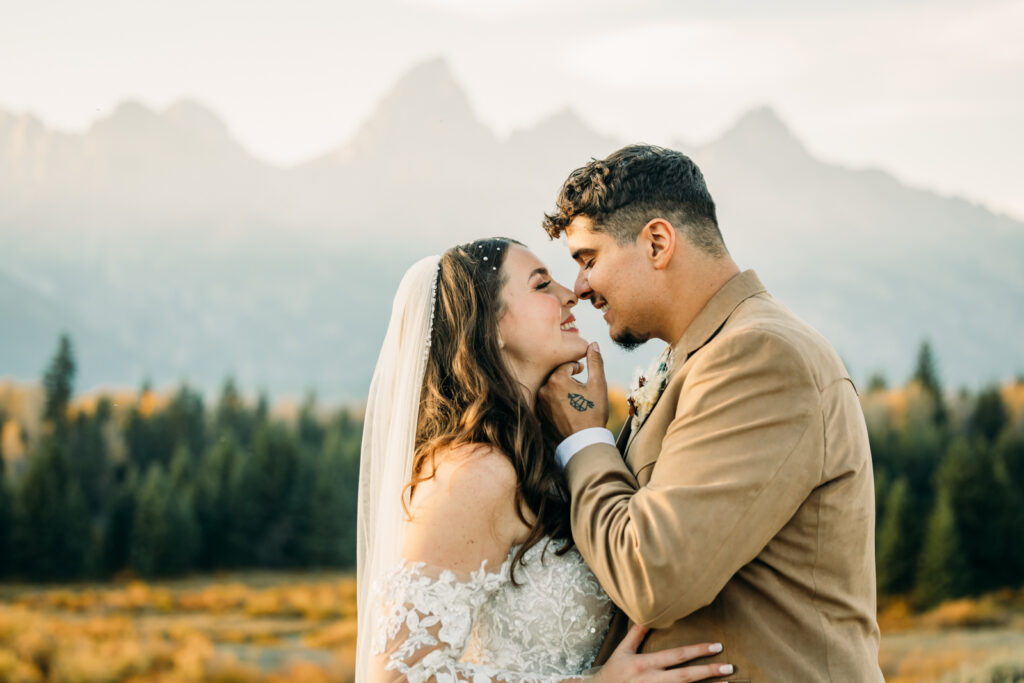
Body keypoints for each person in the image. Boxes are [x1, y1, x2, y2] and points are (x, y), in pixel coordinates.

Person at [538, 144, 884, 681]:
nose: (580, 288)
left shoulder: (761, 357)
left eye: (588, 259)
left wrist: (585, 442)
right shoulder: (699, 357)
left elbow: (655, 576)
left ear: (657, 242)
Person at [355, 238, 735, 682]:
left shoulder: (541, 455)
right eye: (541, 285)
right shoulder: (474, 471)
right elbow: (399, 673)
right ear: (490, 324)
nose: (570, 293)